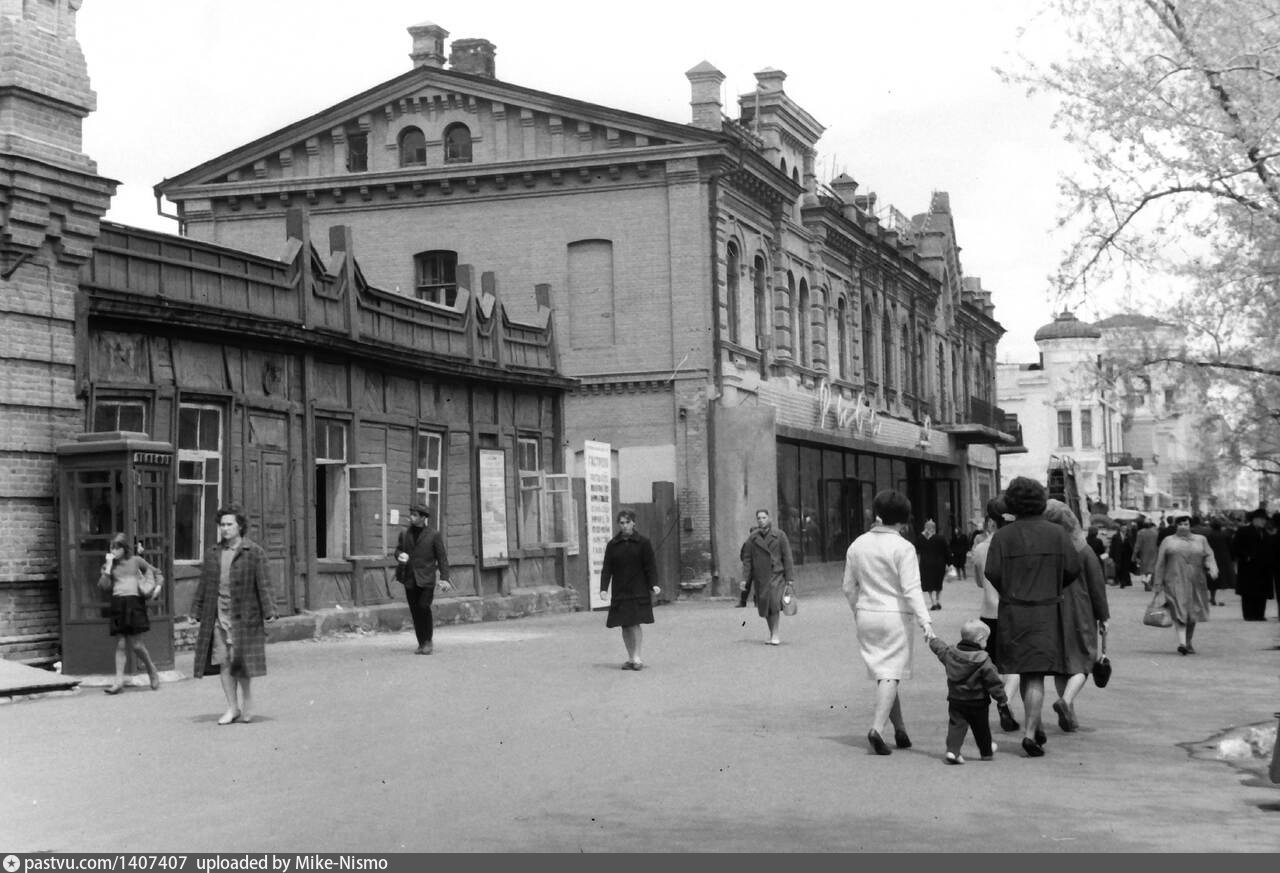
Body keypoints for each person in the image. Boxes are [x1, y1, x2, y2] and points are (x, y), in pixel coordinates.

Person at [982, 476, 1081, 758]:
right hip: (1046, 610)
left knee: (1024, 671)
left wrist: (1011, 590)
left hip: (1014, 611)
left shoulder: (1003, 536)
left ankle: (1034, 727)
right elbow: (1073, 569)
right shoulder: (1057, 534)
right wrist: (1051, 586)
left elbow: (992, 572)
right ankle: (1029, 733)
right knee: (1035, 674)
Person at [842, 489, 935, 756]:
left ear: (877, 514)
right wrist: (926, 621)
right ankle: (877, 729)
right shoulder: (904, 547)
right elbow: (911, 589)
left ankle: (900, 730)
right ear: (904, 519)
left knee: (885, 673)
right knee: (891, 673)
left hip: (866, 612)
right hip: (895, 615)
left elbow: (848, 587)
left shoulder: (857, 544)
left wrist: (858, 609)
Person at [190, 506, 278, 725]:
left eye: (229, 524)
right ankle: (232, 707)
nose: (225, 529)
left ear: (240, 527)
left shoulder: (253, 552)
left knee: (241, 662)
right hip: (218, 614)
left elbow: (264, 583)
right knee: (224, 661)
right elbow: (204, 584)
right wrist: (196, 611)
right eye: (222, 525)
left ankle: (247, 704)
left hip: (244, 616)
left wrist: (269, 610)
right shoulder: (213, 553)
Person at [1042, 499, 1110, 733]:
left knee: (1061, 664)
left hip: (1051, 611)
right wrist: (1104, 616)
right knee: (1084, 660)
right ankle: (1066, 701)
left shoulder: (1044, 550)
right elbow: (1097, 586)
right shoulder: (1083, 550)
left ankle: (1070, 714)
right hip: (1080, 610)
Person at [969, 496, 1020, 732]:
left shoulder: (980, 548)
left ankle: (993, 701)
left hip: (988, 615)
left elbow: (980, 582)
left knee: (991, 666)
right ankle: (1006, 701)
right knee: (1015, 666)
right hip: (1013, 613)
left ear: (991, 522)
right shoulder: (1019, 546)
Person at [928, 619, 1009, 764]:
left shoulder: (951, 654)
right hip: (978, 700)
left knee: (956, 725)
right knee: (981, 727)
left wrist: (932, 639)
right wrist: (1001, 698)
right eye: (986, 640)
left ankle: (952, 751)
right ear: (979, 639)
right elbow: (993, 682)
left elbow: (940, 649)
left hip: (956, 699)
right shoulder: (984, 660)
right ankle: (986, 752)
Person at [97, 533, 160, 694]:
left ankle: (151, 669)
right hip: (118, 603)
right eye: (111, 547)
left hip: (134, 603)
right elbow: (103, 586)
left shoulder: (136, 561)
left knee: (137, 645)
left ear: (124, 548)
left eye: (116, 548)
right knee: (120, 644)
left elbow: (157, 572)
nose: (113, 551)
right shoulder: (109, 565)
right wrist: (108, 568)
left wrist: (157, 588)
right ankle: (118, 681)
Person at [599, 509, 661, 670]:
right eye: (621, 523)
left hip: (638, 590)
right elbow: (607, 568)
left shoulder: (643, 543)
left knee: (635, 623)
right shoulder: (612, 545)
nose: (624, 525)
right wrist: (603, 589)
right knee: (624, 624)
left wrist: (654, 584)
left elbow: (650, 566)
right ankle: (630, 657)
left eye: (627, 522)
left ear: (634, 523)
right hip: (620, 590)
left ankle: (637, 657)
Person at [1152, 513, 1218, 654]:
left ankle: (1188, 641)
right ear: (1176, 526)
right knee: (1179, 611)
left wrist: (1212, 568)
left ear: (1190, 525)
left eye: (1186, 524)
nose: (1183, 527)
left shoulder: (1201, 540)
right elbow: (1160, 562)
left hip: (1196, 581)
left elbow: (1209, 555)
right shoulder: (1168, 541)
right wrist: (1157, 582)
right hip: (1174, 581)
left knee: (1192, 613)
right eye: (1180, 524)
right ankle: (1182, 643)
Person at [394, 503, 454, 654]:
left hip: (426, 579)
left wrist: (445, 578)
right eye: (411, 514)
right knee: (415, 611)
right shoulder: (405, 533)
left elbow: (442, 558)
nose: (411, 517)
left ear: (423, 518)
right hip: (409, 578)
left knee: (423, 607)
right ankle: (421, 643)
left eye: (414, 515)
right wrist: (399, 555)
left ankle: (428, 641)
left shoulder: (433, 535)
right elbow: (398, 550)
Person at [740, 509, 795, 646]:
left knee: (774, 604)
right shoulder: (752, 538)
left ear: (769, 518)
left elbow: (787, 557)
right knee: (765, 607)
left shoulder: (780, 535)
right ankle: (772, 634)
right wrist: (744, 579)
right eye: (759, 518)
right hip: (760, 577)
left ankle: (775, 634)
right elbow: (747, 560)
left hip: (776, 574)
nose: (761, 520)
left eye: (764, 517)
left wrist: (790, 578)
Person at [1231, 509, 1274, 621]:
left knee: (1262, 591)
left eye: (1264, 520)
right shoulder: (1243, 531)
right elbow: (1235, 547)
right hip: (1248, 567)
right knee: (1248, 592)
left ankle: (1260, 614)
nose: (1263, 522)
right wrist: (1245, 556)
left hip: (1263, 568)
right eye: (1261, 519)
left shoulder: (1266, 533)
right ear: (1254, 519)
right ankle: (1249, 614)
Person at [915, 519, 950, 611]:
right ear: (934, 528)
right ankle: (938, 601)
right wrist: (949, 563)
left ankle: (933, 601)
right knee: (938, 583)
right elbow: (946, 552)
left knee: (929, 583)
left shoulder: (920, 538)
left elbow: (916, 550)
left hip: (925, 564)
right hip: (939, 564)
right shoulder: (940, 538)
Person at [1205, 518, 1235, 607]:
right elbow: (1231, 547)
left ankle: (1212, 597)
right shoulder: (1226, 535)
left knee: (1212, 578)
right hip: (1224, 558)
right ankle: (1221, 600)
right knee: (1223, 579)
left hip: (1212, 558)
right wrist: (1232, 558)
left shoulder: (1208, 535)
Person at [1134, 520, 1159, 591]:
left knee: (1145, 568)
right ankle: (1147, 581)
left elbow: (1137, 544)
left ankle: (1147, 582)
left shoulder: (1140, 532)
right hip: (1154, 551)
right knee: (1152, 568)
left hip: (1144, 552)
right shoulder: (1155, 532)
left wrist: (1134, 554)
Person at [1109, 522, 1134, 589]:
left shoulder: (1129, 536)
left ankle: (1123, 582)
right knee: (1119, 568)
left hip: (1126, 556)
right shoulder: (1115, 536)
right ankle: (1120, 581)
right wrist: (1111, 556)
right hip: (1118, 555)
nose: (1124, 529)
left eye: (1125, 528)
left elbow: (1131, 546)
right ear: (1120, 528)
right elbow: (1112, 547)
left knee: (1125, 569)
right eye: (1123, 528)